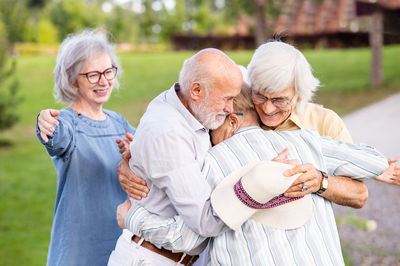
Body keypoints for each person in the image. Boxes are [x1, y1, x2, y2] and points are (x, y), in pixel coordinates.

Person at [116, 83, 388, 265]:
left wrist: (132, 216)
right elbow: (375, 161)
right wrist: (320, 177)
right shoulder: (304, 142)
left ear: (232, 120)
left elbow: (187, 239)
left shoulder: (210, 165)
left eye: (208, 127)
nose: (205, 137)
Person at [107, 48, 243, 265]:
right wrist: (254, 192)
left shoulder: (192, 105)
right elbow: (205, 220)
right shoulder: (168, 132)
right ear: (196, 90)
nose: (231, 109)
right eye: (227, 99)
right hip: (151, 258)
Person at [35, 30, 135, 266]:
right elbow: (55, 137)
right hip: (79, 252)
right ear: (72, 80)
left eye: (108, 71)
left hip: (121, 248)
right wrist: (43, 120)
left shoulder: (120, 123)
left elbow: (154, 152)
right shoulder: (67, 124)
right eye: (92, 75)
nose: (104, 81)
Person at [246, 40, 400, 185]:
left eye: (280, 100)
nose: (267, 109)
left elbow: (354, 179)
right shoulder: (238, 114)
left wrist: (369, 169)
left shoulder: (324, 121)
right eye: (260, 96)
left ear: (299, 95)